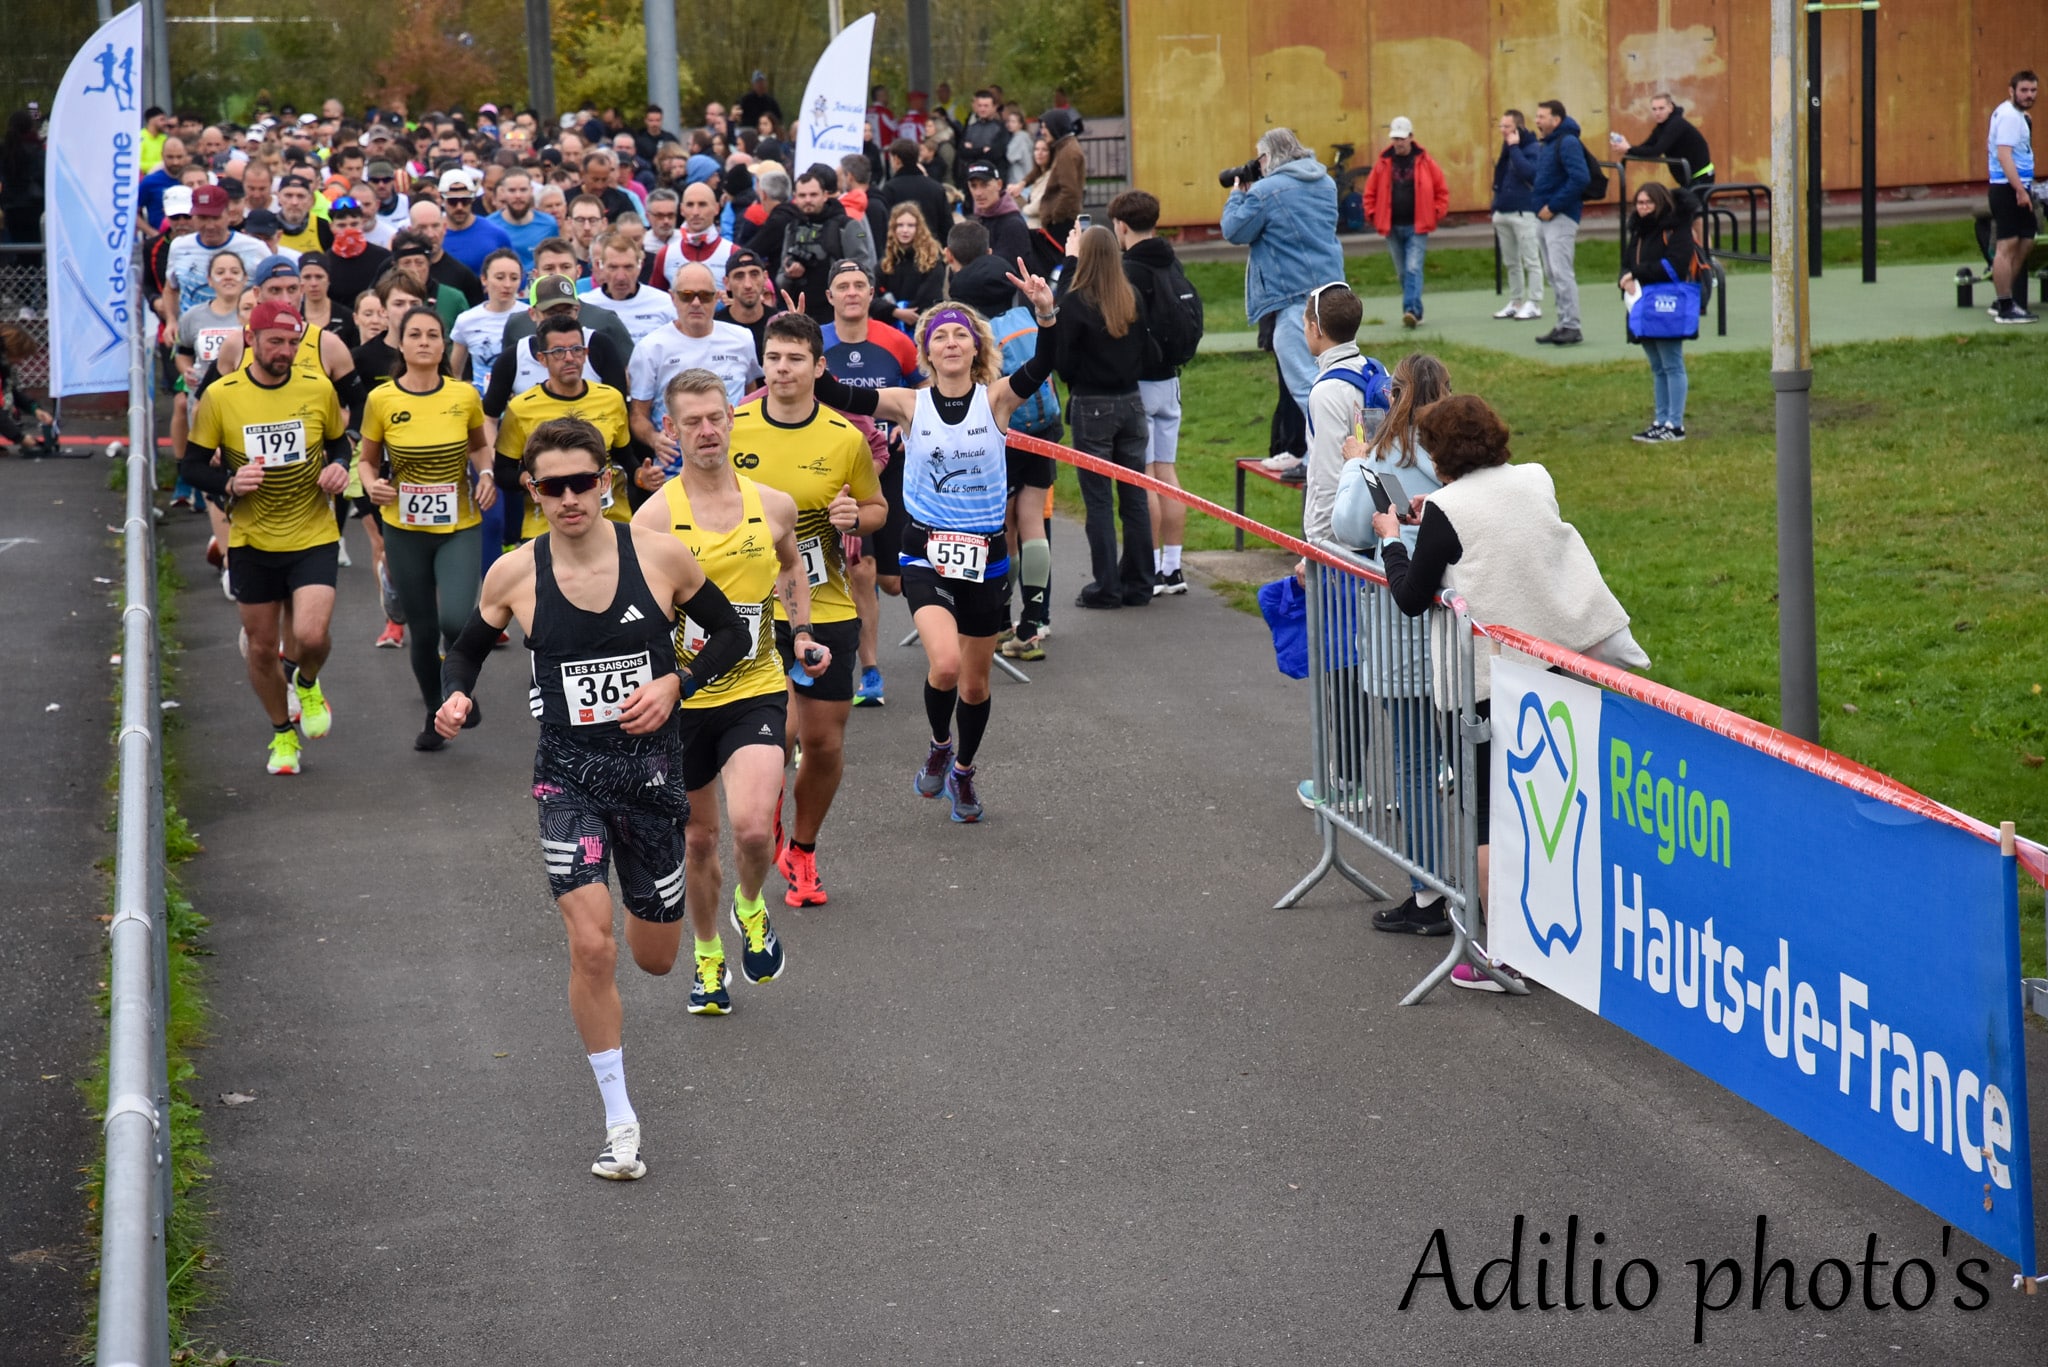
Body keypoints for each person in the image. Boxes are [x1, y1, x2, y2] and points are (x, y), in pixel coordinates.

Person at [433, 415, 752, 1179]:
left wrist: (678, 681)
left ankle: (693, 935)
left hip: (651, 780)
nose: (570, 497)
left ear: (605, 481)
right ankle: (620, 1121)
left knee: (652, 955)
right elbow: (466, 650)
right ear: (533, 492)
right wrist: (454, 698)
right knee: (590, 942)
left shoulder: (660, 556)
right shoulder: (513, 573)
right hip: (566, 778)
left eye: (584, 482)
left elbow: (733, 636)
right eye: (553, 486)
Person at [1372, 395, 1647, 988]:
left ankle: (1497, 952)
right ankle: (1553, 936)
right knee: (1545, 809)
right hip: (1551, 668)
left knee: (1489, 822)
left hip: (1490, 683)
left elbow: (1412, 596)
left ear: (1441, 454)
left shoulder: (1448, 508)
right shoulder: (1533, 479)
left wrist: (1394, 538)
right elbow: (1502, 533)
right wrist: (1432, 517)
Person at [811, 291, 1064, 822]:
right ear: (926, 351)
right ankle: (938, 742)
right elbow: (836, 392)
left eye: (959, 335)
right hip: (925, 552)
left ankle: (964, 772)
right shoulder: (909, 403)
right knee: (944, 665)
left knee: (974, 683)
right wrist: (810, 343)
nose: (950, 343)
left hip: (987, 559)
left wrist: (1046, 314)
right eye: (939, 336)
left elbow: (1045, 360)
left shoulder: (997, 400)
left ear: (975, 348)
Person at [632, 369, 823, 1012]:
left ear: (731, 419)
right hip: (684, 700)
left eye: (715, 417)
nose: (707, 430)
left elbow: (793, 565)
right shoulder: (654, 518)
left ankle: (750, 905)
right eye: (692, 422)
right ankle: (708, 958)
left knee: (748, 831)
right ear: (673, 430)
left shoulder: (773, 504)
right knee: (697, 840)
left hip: (756, 687)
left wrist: (801, 633)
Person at [731, 312, 887, 905]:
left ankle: (802, 849)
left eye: (795, 359)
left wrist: (857, 517)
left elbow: (875, 508)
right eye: (773, 358)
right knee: (778, 733)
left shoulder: (843, 437)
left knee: (821, 743)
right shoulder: (735, 426)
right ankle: (760, 812)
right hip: (747, 607)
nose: (782, 369)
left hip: (825, 603)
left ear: (819, 368)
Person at [179, 302, 351, 775]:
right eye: (275, 342)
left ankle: (308, 682)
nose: (285, 351)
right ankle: (282, 736)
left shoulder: (317, 388)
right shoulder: (222, 395)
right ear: (250, 339)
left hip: (312, 530)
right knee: (260, 648)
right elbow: (191, 466)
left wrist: (338, 465)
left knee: (311, 635)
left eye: (293, 343)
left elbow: (340, 441)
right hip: (252, 539)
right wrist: (231, 483)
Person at [358, 306, 493, 747]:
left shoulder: (464, 396)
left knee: (456, 617)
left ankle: (459, 691)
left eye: (433, 335)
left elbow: (479, 449)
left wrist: (487, 475)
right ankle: (436, 712)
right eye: (414, 334)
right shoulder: (382, 400)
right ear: (400, 343)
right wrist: (372, 485)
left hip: (459, 523)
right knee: (422, 627)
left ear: (442, 344)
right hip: (404, 527)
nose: (424, 342)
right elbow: (367, 459)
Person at [1030, 225, 1153, 609]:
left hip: (1092, 402)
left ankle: (1107, 586)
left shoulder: (1079, 301)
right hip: (1132, 401)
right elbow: (1146, 349)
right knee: (1134, 495)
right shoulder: (1130, 296)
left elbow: (1062, 359)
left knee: (1098, 500)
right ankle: (1140, 581)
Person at [819, 260, 924, 707]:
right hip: (833, 469)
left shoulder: (895, 340)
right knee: (859, 571)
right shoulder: (818, 340)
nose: (851, 293)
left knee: (892, 581)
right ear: (831, 296)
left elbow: (925, 393)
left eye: (859, 285)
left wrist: (906, 422)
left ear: (870, 292)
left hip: (890, 468)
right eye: (842, 286)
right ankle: (870, 670)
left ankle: (872, 585)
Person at [1221, 128, 1344, 417]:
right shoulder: (1325, 182)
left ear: (1268, 156)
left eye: (1259, 157)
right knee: (1333, 380)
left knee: (1306, 388)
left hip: (1293, 300)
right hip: (1332, 292)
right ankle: (1324, 452)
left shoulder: (1267, 191)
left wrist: (1237, 195)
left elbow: (1234, 230)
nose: (1259, 164)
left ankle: (1320, 457)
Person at [1109, 189, 1195, 598]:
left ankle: (1147, 568)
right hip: (1170, 381)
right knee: (1167, 471)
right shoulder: (1172, 262)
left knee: (1143, 477)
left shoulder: (1128, 270)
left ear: (1121, 226)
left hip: (1139, 384)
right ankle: (1173, 567)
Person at [495, 312, 638, 543]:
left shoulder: (611, 399)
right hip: (544, 529)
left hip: (611, 522)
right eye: (558, 352)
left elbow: (625, 457)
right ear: (542, 359)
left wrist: (641, 474)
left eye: (576, 350)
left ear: (586, 354)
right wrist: (539, 482)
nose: (570, 358)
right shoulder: (521, 408)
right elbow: (503, 472)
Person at [628, 261, 763, 458]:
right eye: (687, 296)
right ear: (673, 298)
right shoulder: (650, 348)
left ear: (717, 297)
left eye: (705, 296)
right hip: (677, 460)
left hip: (735, 456)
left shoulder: (742, 339)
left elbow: (752, 396)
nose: (696, 303)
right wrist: (654, 439)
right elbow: (638, 415)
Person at [1620, 182, 1699, 442]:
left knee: (1671, 363)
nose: (1643, 208)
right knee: (1657, 366)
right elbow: (1628, 262)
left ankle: (1675, 425)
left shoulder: (1677, 227)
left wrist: (1636, 274)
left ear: (1660, 203)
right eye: (1639, 203)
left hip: (1666, 305)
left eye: (1648, 203)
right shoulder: (1639, 230)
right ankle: (1660, 420)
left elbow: (1673, 266)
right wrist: (1625, 277)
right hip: (1642, 304)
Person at [1360, 117, 1449, 328]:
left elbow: (1441, 191)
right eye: (1395, 138)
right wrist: (1373, 215)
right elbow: (1369, 193)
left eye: (1401, 138)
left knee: (1412, 268)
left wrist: (1435, 213)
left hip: (1417, 226)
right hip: (1391, 227)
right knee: (1402, 271)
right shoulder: (1383, 164)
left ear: (1411, 137)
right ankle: (1414, 307)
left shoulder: (1426, 162)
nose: (1398, 143)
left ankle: (1411, 311)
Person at [1531, 100, 1590, 346]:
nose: (1537, 120)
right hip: (1544, 216)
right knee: (1551, 272)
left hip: (1561, 217)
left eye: (1542, 116)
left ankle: (1572, 325)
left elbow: (1580, 178)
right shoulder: (1549, 143)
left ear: (1556, 120)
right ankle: (1562, 322)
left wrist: (1553, 206)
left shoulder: (1567, 143)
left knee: (1562, 271)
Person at [164, 185, 268, 317]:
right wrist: (171, 321)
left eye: (215, 218)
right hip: (193, 330)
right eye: (202, 218)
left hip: (240, 330)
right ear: (193, 217)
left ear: (228, 215)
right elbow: (171, 288)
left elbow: (270, 290)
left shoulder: (255, 248)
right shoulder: (179, 247)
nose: (210, 226)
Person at [1987, 70, 2039, 325]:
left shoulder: (2017, 116)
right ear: (2011, 90)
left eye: (2033, 91)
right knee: (2006, 246)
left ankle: (2002, 299)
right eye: (2024, 90)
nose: (2029, 95)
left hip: (2020, 186)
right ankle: (2005, 306)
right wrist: (2019, 190)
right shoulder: (2009, 116)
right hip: (2006, 188)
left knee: (2027, 239)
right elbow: (2004, 155)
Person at [775, 169, 856, 324]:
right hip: (802, 315)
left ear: (825, 195)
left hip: (838, 314)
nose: (808, 200)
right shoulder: (791, 228)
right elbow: (780, 276)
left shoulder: (847, 226)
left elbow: (864, 271)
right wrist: (789, 275)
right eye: (802, 195)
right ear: (795, 197)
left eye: (813, 195)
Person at [1490, 111, 1543, 321]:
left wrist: (1514, 147)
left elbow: (1529, 173)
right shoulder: (1506, 149)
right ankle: (1516, 301)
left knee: (1531, 259)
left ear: (1518, 128)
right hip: (1503, 211)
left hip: (1524, 211)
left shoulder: (1532, 148)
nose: (1503, 131)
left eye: (1507, 127)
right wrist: (1495, 205)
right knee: (1511, 262)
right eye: (1501, 126)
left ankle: (1535, 302)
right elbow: (1501, 176)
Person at [579, 230, 678, 343]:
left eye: (628, 267)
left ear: (640, 266)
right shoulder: (585, 304)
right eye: (613, 267)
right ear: (600, 266)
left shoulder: (664, 303)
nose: (621, 277)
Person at [1609, 92, 1715, 189]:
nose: (1657, 113)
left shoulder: (1676, 124)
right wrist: (1627, 148)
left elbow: (1656, 151)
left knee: (1689, 207)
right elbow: (1647, 146)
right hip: (1689, 177)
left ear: (1670, 108)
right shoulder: (1661, 127)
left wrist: (1629, 149)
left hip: (1701, 176)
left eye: (1661, 108)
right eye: (1654, 109)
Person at [450, 248, 525, 383]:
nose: (507, 285)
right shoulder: (466, 320)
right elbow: (455, 373)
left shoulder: (531, 316)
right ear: (484, 279)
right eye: (500, 277)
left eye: (514, 278)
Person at [650, 181, 735, 290]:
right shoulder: (665, 254)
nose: (695, 212)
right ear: (682, 210)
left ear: (716, 208)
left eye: (702, 204)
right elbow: (655, 301)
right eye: (690, 205)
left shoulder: (732, 253)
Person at [877, 204, 946, 329]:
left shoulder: (932, 260)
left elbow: (930, 297)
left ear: (919, 228)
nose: (905, 230)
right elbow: (872, 296)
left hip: (922, 327)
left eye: (910, 225)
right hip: (890, 328)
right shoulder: (886, 262)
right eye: (900, 225)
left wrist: (905, 313)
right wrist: (895, 312)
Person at [408, 199, 486, 307]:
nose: (430, 234)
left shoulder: (463, 276)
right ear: (411, 230)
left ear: (444, 228)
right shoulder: (392, 268)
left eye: (435, 226)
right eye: (422, 228)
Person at [878, 137, 955, 246]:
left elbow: (884, 227)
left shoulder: (889, 189)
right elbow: (947, 227)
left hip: (901, 252)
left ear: (896, 159)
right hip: (932, 252)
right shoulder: (936, 188)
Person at [322, 197, 391, 314]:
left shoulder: (383, 258)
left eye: (354, 224)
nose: (349, 230)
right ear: (331, 227)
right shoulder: (324, 263)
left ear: (363, 223)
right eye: (341, 226)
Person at [439, 168, 514, 274]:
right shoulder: (433, 235)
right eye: (453, 201)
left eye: (465, 201)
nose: (459, 207)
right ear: (442, 200)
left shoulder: (496, 234)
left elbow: (514, 271)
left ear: (473, 198)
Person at [712, 247, 782, 359]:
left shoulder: (780, 324)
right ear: (727, 283)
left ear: (765, 278)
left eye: (754, 274)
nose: (748, 285)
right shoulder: (714, 328)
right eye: (739, 276)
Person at [486, 168, 558, 274]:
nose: (518, 196)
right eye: (512, 190)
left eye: (523, 190)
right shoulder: (490, 225)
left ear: (532, 191)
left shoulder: (549, 224)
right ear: (503, 192)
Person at [1035, 109, 1087, 248]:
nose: (1042, 131)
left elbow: (1069, 190)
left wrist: (1056, 217)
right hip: (1064, 220)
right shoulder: (1065, 148)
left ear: (1055, 126)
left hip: (1062, 223)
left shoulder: (1067, 152)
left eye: (1045, 127)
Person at [965, 162, 1032, 267]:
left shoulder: (1013, 224)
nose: (978, 193)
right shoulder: (977, 220)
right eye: (973, 186)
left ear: (999, 185)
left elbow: (1004, 271)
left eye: (984, 185)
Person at [958, 90, 1007, 193]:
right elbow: (962, 151)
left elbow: (996, 153)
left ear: (994, 107)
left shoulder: (1000, 128)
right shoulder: (970, 127)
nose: (982, 109)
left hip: (991, 179)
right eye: (980, 106)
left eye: (986, 106)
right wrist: (982, 150)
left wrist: (973, 150)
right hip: (971, 178)